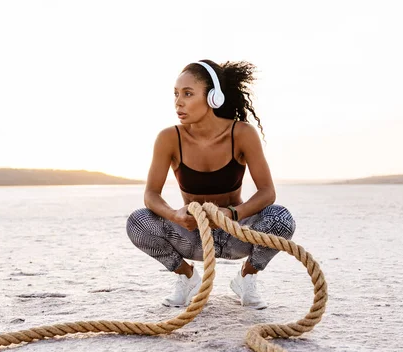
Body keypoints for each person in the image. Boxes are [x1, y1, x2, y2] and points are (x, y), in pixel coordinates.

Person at [126, 60, 296, 309]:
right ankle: (186, 277)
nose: (178, 102)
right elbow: (151, 195)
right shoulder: (169, 138)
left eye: (188, 94)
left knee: (281, 218)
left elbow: (267, 192)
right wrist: (175, 215)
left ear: (213, 97)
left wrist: (232, 214)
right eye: (175, 94)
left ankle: (246, 277)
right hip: (193, 237)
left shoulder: (242, 134)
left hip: (235, 233)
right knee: (137, 222)